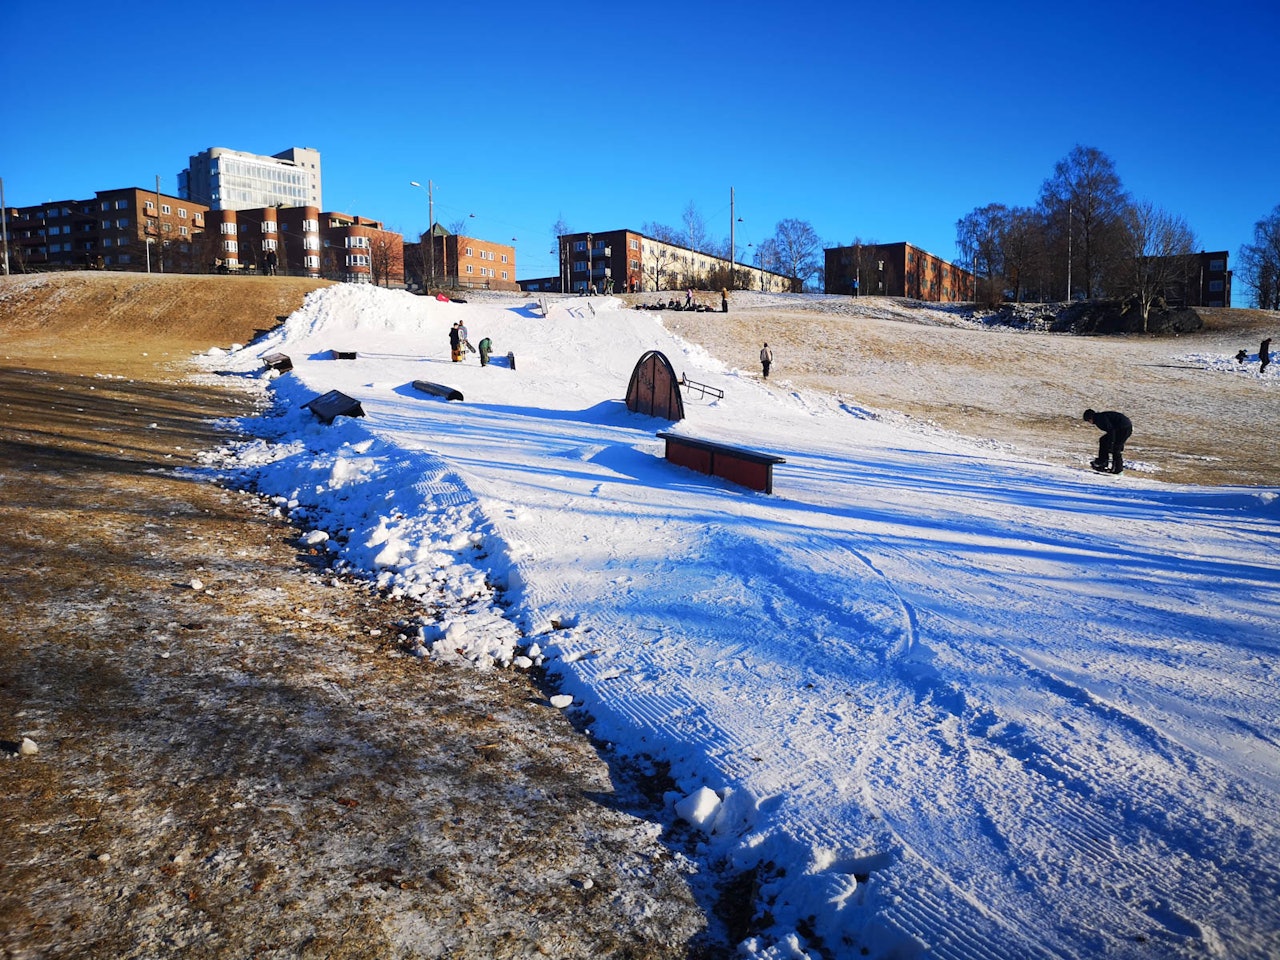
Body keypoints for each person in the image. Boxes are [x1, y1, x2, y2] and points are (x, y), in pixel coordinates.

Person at [1083, 408, 1132, 474]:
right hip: (1121, 428)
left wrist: (1111, 443)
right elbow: (1111, 431)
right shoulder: (1099, 417)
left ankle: (1118, 470)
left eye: (1088, 420)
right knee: (1103, 440)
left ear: (1090, 418)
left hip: (1124, 429)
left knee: (1115, 448)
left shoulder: (1100, 420)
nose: (1089, 422)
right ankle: (1102, 462)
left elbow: (1111, 431)